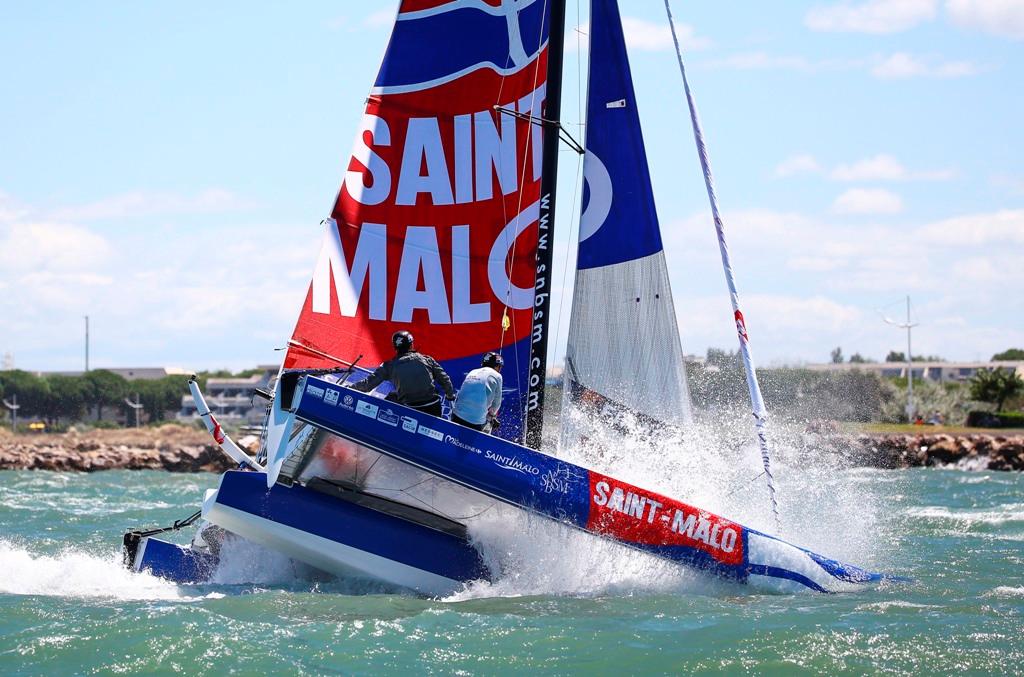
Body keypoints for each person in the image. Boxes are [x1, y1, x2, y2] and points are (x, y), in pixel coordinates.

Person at [350, 330, 455, 417]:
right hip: (434, 408)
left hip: (411, 410)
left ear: (395, 347)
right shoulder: (427, 360)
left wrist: (348, 388)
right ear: (411, 344)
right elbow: (445, 379)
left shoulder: (389, 366)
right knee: (394, 395)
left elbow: (367, 385)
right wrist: (450, 395)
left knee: (392, 396)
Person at [452, 352, 504, 432]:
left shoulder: (472, 371)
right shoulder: (498, 376)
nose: (500, 370)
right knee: (489, 421)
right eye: (500, 367)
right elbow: (497, 403)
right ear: (497, 365)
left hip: (456, 415)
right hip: (475, 422)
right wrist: (492, 416)